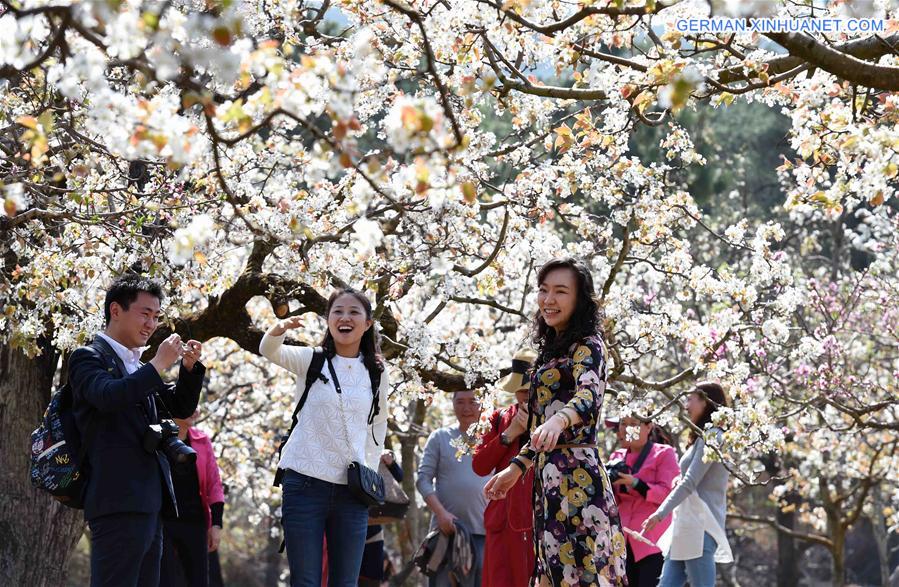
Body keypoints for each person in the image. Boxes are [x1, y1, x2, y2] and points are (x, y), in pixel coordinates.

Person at [483, 256, 628, 586]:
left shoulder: (589, 345)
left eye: (561, 291)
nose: (549, 300)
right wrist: (516, 469)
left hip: (579, 481)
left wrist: (560, 420)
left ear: (579, 299)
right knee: (553, 574)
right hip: (545, 485)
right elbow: (538, 424)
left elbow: (589, 394)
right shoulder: (548, 353)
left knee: (587, 574)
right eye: (544, 290)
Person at [70, 274, 205, 587]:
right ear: (115, 310)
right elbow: (108, 397)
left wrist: (188, 369)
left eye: (156, 317)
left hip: (149, 500)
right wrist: (156, 366)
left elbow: (180, 408)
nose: (151, 324)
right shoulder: (88, 358)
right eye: (145, 313)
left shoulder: (136, 365)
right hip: (116, 497)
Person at [260, 287, 389, 587]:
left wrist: (368, 467)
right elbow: (269, 350)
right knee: (305, 581)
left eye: (354, 312)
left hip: (352, 491)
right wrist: (279, 328)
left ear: (368, 323)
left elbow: (378, 423)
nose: (345, 318)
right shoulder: (311, 360)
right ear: (328, 320)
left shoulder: (377, 371)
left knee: (345, 582)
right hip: (304, 484)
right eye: (338, 311)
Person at [642, 382, 733, 587]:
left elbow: (690, 482)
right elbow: (691, 479)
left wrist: (659, 513)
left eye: (690, 399)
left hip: (700, 525)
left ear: (706, 403)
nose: (685, 404)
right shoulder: (702, 437)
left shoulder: (713, 437)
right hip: (686, 523)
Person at [471, 349, 536, 587]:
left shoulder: (557, 420)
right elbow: (479, 465)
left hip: (540, 518)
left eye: (528, 391)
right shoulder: (498, 418)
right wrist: (509, 435)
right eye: (519, 390)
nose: (523, 397)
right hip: (503, 521)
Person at [416, 390, 489, 587]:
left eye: (472, 402)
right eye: (460, 402)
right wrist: (441, 513)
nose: (466, 408)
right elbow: (422, 480)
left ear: (483, 404)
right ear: (453, 404)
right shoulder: (439, 437)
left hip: (485, 533)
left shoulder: (494, 439)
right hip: (446, 533)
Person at [605, 414, 679, 587]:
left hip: (652, 541)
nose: (625, 429)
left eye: (634, 424)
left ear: (648, 426)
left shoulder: (664, 453)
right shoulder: (617, 456)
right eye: (622, 423)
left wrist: (635, 483)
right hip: (621, 541)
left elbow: (669, 494)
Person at [159, 409, 225, 587]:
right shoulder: (157, 438)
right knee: (164, 580)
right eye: (188, 404)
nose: (195, 410)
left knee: (199, 581)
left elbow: (214, 485)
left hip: (195, 522)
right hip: (162, 523)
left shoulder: (202, 441)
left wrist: (216, 524)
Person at [358, 450, 404, 587]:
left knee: (371, 579)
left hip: (373, 530)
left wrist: (391, 463)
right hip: (343, 528)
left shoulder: (374, 448)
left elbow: (398, 476)